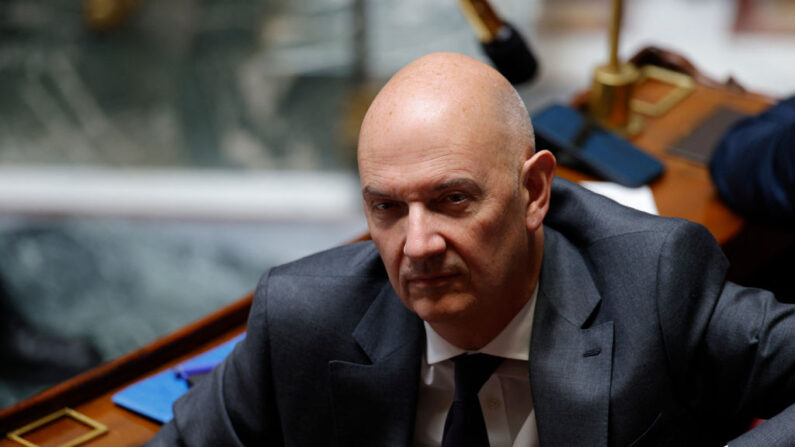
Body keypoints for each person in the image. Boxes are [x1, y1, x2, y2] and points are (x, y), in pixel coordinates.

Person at [148, 53, 795, 446]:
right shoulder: (301, 315)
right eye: (388, 208)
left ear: (534, 190)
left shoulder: (653, 281)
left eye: (453, 199)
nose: (418, 244)